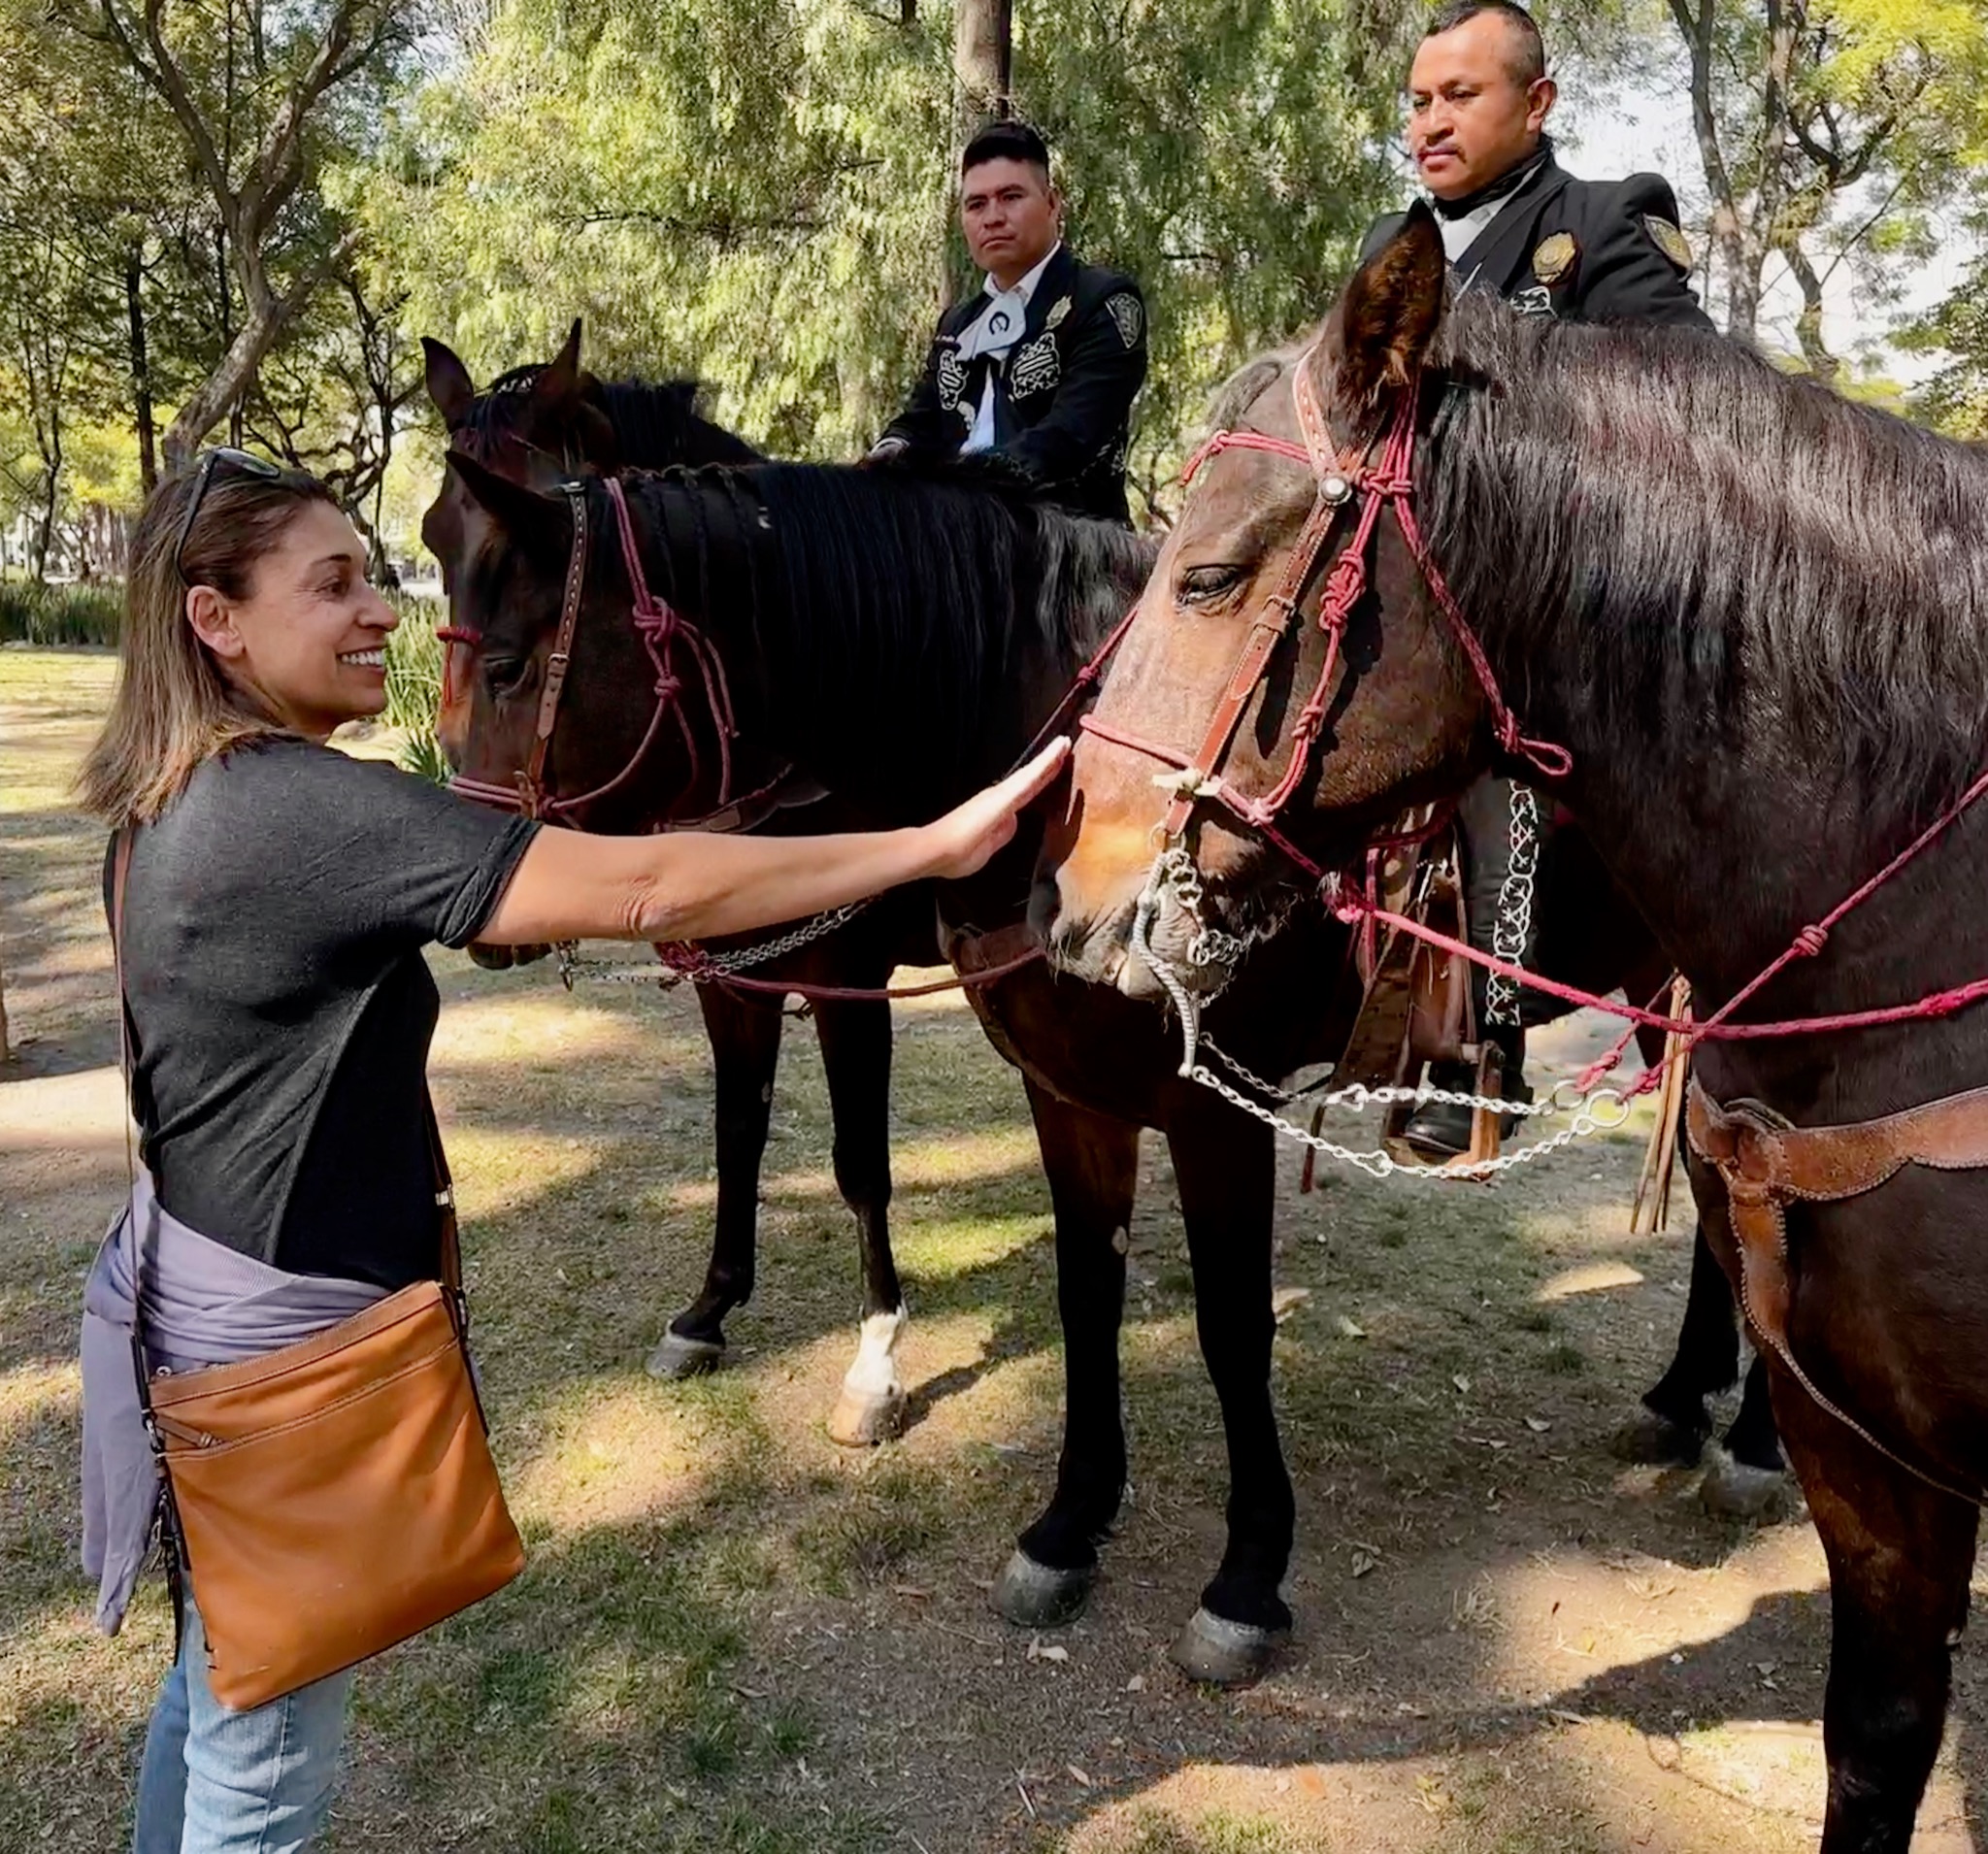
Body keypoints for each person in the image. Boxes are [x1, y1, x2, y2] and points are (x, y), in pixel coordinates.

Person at [74, 449, 1066, 1854]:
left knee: (221, 1676)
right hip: (279, 1367)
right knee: (268, 1758)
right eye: (334, 582)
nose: (384, 612)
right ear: (214, 619)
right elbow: (646, 880)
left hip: (187, 1299)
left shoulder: (160, 802)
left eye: (376, 571)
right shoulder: (298, 811)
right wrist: (927, 841)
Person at [1360, 0, 1716, 1157]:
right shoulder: (1385, 246)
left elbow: (1684, 407)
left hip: (1554, 612)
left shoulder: (1607, 221)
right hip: (1394, 589)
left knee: (1488, 731)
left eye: (1458, 95)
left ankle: (1482, 1048)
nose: (1429, 121)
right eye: (1417, 100)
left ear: (1537, 103)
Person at [868, 120, 1147, 524]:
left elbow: (1067, 439)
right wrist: (878, 466)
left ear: (1053, 204)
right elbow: (921, 421)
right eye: (976, 204)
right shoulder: (958, 324)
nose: (992, 217)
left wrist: (953, 488)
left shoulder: (1103, 301)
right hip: (952, 543)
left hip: (1073, 555)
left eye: (1010, 197)